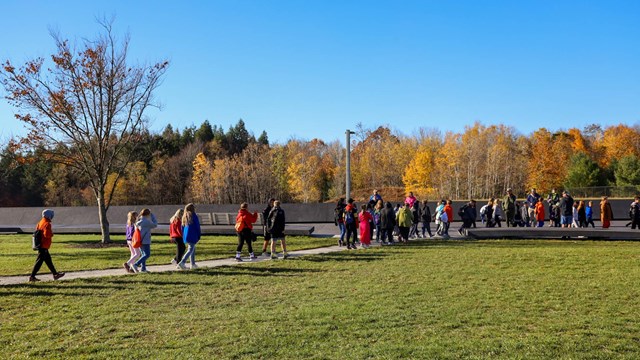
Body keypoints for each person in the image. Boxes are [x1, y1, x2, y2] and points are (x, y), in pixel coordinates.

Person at [29, 209, 65, 282]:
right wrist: (52, 234)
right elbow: (47, 234)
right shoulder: (47, 224)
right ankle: (32, 277)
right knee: (39, 262)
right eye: (51, 215)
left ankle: (55, 274)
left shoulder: (40, 222)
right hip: (44, 245)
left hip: (40, 244)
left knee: (48, 261)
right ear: (49, 215)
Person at [132, 208, 158, 273]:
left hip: (139, 240)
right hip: (145, 240)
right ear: (148, 214)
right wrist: (152, 216)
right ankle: (136, 264)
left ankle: (143, 269)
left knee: (143, 254)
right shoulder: (146, 222)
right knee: (147, 254)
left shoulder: (138, 221)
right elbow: (155, 225)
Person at [177, 203, 201, 270]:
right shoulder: (194, 216)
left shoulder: (184, 217)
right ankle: (182, 262)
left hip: (186, 235)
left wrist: (183, 235)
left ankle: (192, 263)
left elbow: (182, 228)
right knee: (190, 249)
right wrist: (199, 235)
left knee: (192, 248)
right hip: (192, 234)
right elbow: (197, 226)